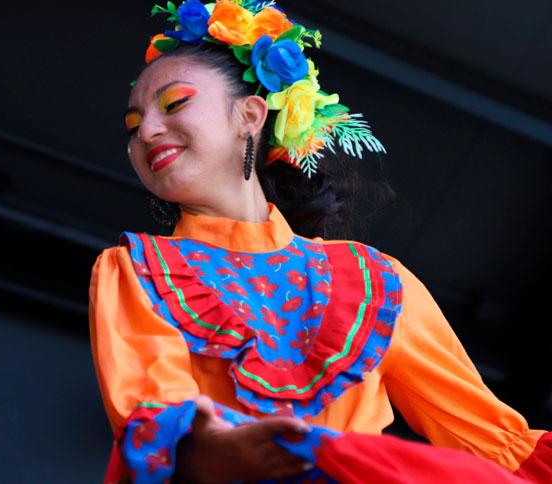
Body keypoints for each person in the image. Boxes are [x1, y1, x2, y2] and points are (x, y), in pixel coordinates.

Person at [88, 1, 551, 483]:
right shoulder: (135, 268)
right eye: (133, 126)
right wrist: (210, 450)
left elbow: (493, 441)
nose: (147, 131)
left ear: (250, 114)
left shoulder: (375, 281)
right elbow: (154, 413)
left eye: (174, 103)